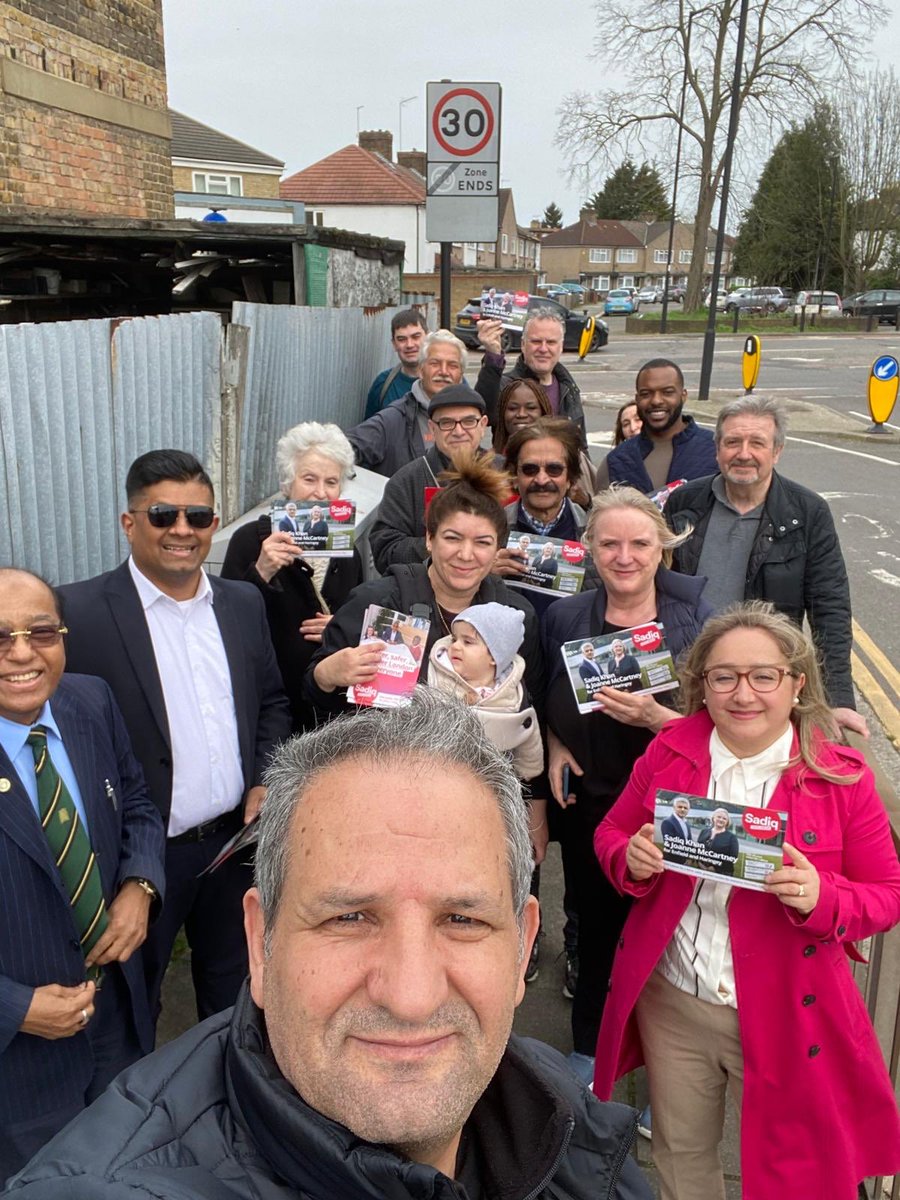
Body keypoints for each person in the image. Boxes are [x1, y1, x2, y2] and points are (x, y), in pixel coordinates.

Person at [6, 693, 653, 1200]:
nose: (410, 995)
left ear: (522, 947)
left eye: (461, 919)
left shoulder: (573, 1126)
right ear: (259, 944)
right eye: (349, 917)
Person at [593, 603, 900, 1200]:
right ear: (702, 685)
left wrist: (822, 897)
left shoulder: (842, 776)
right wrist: (629, 858)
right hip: (674, 999)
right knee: (680, 1156)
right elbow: (610, 832)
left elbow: (887, 896)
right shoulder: (669, 752)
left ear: (796, 683)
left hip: (788, 1007)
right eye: (723, 676)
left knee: (791, 1170)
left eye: (764, 675)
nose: (744, 693)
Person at [60, 450, 291, 1029]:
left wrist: (264, 777)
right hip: (137, 859)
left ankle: (232, 1104)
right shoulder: (80, 614)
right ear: (129, 522)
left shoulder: (241, 603)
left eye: (199, 517)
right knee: (133, 1005)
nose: (183, 531)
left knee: (235, 998)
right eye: (163, 515)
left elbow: (271, 703)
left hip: (234, 847)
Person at [541, 485, 711, 1082]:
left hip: (675, 805)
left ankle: (670, 1068)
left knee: (670, 938)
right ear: (589, 549)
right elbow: (545, 697)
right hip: (595, 804)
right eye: (609, 543)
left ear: (663, 548)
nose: (625, 556)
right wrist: (557, 742)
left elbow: (729, 722)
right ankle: (590, 1051)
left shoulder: (699, 621)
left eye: (640, 543)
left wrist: (657, 719)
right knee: (595, 929)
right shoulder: (564, 616)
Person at [0, 569, 165, 1182]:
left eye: (41, 631)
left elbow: (139, 807)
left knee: (124, 1172)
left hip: (118, 1020)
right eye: (0, 638)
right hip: (21, 1069)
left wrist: (139, 887)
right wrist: (15, 1008)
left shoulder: (89, 699)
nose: (22, 652)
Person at [304, 454, 545, 742]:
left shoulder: (516, 615)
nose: (466, 555)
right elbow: (313, 705)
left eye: (482, 542)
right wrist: (326, 676)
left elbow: (531, 707)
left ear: (497, 550)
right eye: (452, 538)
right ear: (429, 539)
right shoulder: (376, 602)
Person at [665, 393, 865, 738]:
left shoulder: (807, 512)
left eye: (757, 442)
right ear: (717, 450)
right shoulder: (685, 502)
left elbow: (829, 608)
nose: (744, 453)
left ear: (777, 451)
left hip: (763, 688)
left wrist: (839, 699)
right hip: (691, 682)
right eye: (732, 442)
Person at [221, 422, 362, 735]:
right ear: (287, 483)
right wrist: (261, 571)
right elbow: (224, 621)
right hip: (268, 704)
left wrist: (340, 627)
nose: (320, 493)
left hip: (327, 707)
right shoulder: (250, 541)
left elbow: (359, 617)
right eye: (309, 478)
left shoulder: (347, 550)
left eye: (331, 482)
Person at [367, 383, 492, 574]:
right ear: (432, 429)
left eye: (468, 421)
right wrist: (439, 545)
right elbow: (384, 550)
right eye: (447, 423)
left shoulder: (504, 473)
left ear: (483, 425)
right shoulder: (406, 480)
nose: (458, 431)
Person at [348, 329, 497, 478]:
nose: (444, 372)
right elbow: (342, 450)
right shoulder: (392, 420)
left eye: (452, 365)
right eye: (435, 363)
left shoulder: (471, 417)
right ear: (420, 370)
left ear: (461, 374)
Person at [427, 602, 543, 781]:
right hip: (436, 769)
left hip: (490, 777)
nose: (456, 646)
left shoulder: (512, 693)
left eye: (468, 642)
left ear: (495, 657)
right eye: (454, 639)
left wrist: (528, 770)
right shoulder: (435, 675)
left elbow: (528, 733)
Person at [595, 359, 717, 493]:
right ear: (637, 399)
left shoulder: (715, 450)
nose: (656, 401)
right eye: (646, 394)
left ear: (683, 396)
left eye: (667, 392)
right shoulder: (616, 461)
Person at [480, 307, 586, 438]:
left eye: (551, 342)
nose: (543, 349)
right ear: (523, 344)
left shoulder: (569, 387)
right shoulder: (506, 385)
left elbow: (581, 443)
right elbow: (484, 413)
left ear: (561, 347)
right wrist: (493, 356)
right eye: (536, 341)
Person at [363, 308, 427, 419]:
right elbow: (370, 433)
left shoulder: (449, 379)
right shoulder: (383, 384)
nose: (409, 345)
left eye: (416, 337)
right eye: (402, 339)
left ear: (427, 338)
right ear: (394, 344)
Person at [659, 797, 693, 865]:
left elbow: (689, 842)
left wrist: (689, 857)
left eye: (685, 808)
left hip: (684, 861)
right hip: (672, 861)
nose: (683, 809)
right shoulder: (667, 822)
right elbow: (670, 844)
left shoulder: (686, 823)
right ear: (674, 808)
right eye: (680, 807)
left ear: (688, 810)